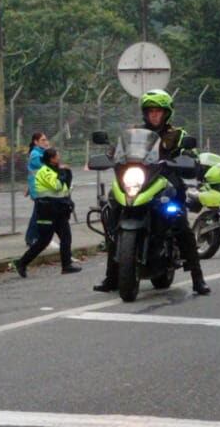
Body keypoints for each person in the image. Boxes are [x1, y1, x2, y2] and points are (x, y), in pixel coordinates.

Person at [93, 89, 209, 296]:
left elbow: (192, 157)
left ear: (167, 113)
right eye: (150, 111)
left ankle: (197, 278)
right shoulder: (135, 133)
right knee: (113, 216)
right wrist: (109, 155)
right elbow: (117, 152)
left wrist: (189, 160)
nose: (154, 115)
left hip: (166, 182)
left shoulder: (178, 135)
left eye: (158, 111)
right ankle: (112, 277)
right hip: (138, 181)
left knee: (180, 223)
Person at [15, 148, 81, 277]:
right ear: (51, 159)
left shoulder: (55, 170)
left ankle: (66, 265)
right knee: (43, 241)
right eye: (57, 156)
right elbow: (56, 186)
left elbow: (65, 188)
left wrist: (66, 176)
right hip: (47, 211)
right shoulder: (44, 171)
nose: (59, 158)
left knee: (66, 237)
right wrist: (63, 173)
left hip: (59, 210)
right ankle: (22, 263)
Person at [25, 132, 49, 246]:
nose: (46, 142)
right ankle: (31, 238)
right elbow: (46, 167)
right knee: (38, 214)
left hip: (41, 188)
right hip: (38, 189)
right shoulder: (35, 154)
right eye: (43, 140)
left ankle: (35, 237)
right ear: (36, 142)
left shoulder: (40, 153)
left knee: (40, 214)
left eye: (46, 140)